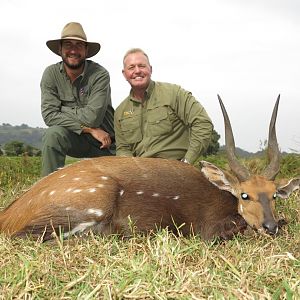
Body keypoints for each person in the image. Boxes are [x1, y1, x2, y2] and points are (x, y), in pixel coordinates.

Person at [114, 48, 213, 164]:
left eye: (141, 66)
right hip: (140, 172)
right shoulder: (120, 111)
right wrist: (130, 170)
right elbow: (123, 148)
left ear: (150, 69)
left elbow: (203, 123)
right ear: (124, 74)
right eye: (131, 67)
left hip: (175, 167)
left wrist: (187, 162)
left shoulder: (174, 93)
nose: (137, 71)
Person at [40, 22, 115, 176]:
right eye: (68, 45)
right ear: (60, 49)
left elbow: (92, 117)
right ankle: (45, 192)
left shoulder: (100, 74)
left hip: (105, 142)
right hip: (77, 139)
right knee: (53, 135)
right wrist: (89, 129)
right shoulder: (50, 74)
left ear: (86, 51)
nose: (73, 50)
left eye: (79, 45)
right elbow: (48, 116)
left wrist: (62, 110)